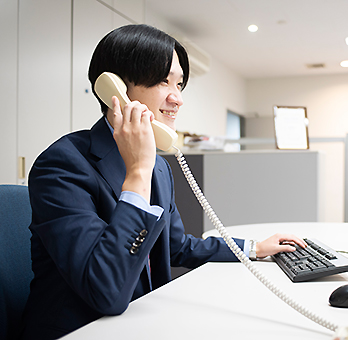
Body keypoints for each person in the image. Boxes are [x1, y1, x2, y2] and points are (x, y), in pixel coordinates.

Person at [21, 24, 306, 340]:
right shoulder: (63, 164)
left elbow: (177, 247)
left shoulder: (158, 167)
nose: (177, 98)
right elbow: (105, 291)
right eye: (162, 81)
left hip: (146, 322)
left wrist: (254, 248)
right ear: (112, 87)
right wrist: (138, 173)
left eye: (180, 84)